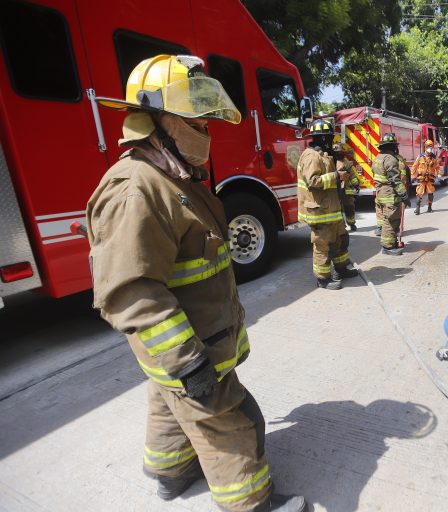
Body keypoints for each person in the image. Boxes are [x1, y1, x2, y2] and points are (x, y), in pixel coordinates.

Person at [87, 54, 306, 512]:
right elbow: (130, 291)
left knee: (168, 401)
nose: (206, 134)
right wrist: (188, 364)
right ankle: (251, 502)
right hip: (191, 351)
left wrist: (177, 369)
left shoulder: (172, 177)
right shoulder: (137, 188)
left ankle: (169, 471)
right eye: (198, 124)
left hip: (185, 348)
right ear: (160, 121)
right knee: (233, 421)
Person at [297, 119, 358, 290]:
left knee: (340, 240)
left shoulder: (323, 154)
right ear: (323, 138)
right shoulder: (311, 156)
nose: (331, 141)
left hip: (331, 209)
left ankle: (341, 269)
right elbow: (313, 181)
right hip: (319, 211)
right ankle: (323, 279)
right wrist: (337, 176)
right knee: (324, 245)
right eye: (329, 137)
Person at [373, 132, 410, 255]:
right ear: (393, 146)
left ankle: (390, 243)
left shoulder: (378, 158)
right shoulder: (391, 159)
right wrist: (404, 195)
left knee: (385, 219)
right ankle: (388, 247)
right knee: (392, 220)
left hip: (380, 193)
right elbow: (395, 180)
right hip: (389, 194)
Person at [333, 143, 361, 232]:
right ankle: (342, 227)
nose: (338, 154)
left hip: (347, 190)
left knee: (349, 208)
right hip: (336, 190)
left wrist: (356, 185)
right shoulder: (330, 162)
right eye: (336, 153)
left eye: (340, 152)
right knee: (338, 210)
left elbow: (352, 175)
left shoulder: (347, 163)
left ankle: (352, 223)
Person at [412, 140, 439, 214]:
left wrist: (439, 174)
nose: (429, 149)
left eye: (431, 147)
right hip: (421, 178)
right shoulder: (420, 157)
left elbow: (437, 167)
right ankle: (417, 209)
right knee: (419, 193)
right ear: (425, 147)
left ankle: (429, 208)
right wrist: (412, 175)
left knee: (430, 193)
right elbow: (415, 166)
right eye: (428, 147)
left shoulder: (433, 158)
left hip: (430, 178)